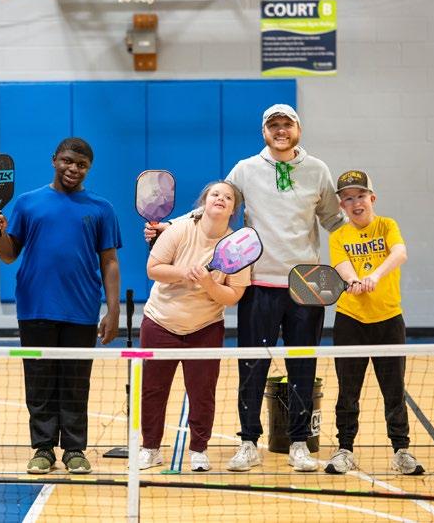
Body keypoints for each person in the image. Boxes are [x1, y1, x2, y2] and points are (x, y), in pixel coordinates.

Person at [146, 104, 346, 472]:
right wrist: (170, 226)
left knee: (303, 366)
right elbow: (214, 201)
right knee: (252, 368)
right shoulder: (245, 168)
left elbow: (335, 220)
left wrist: (363, 245)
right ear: (264, 131)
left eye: (287, 124)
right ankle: (248, 442)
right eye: (273, 125)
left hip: (305, 285)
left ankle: (299, 444)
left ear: (298, 129)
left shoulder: (318, 170)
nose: (281, 130)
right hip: (258, 283)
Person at [0, 137, 121, 475]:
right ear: (54, 160)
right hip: (35, 308)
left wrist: (113, 310)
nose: (73, 169)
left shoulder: (101, 208)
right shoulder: (27, 203)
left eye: (81, 165)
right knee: (39, 382)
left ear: (89, 168)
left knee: (76, 383)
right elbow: (8, 255)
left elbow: (109, 261)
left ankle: (75, 450)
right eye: (67, 161)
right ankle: (43, 449)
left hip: (81, 309)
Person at [138, 181, 249, 473]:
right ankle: (150, 448)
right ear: (204, 201)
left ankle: (199, 449)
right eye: (215, 194)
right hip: (160, 322)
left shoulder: (236, 247)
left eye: (228, 197)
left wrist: (209, 283)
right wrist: (184, 273)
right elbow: (153, 268)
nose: (221, 199)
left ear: (234, 209)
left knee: (202, 394)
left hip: (205, 327)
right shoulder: (179, 230)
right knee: (152, 390)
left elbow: (234, 295)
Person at [325, 170, 424, 476]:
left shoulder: (387, 226)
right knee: (348, 391)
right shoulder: (338, 236)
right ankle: (344, 449)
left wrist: (375, 276)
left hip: (388, 320)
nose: (356, 203)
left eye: (361, 196)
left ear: (372, 198)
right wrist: (354, 280)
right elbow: (343, 267)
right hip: (350, 321)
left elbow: (400, 253)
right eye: (348, 198)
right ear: (341, 205)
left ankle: (401, 450)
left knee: (394, 390)